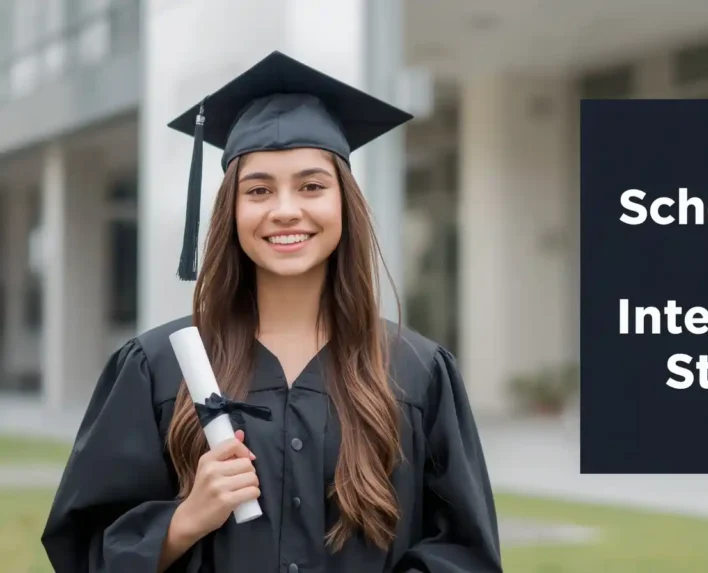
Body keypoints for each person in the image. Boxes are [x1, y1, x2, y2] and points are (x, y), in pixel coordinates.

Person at [40, 51, 502, 573]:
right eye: (258, 190)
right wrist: (186, 519)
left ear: (344, 204)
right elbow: (84, 550)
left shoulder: (416, 372)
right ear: (231, 212)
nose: (285, 209)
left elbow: (464, 554)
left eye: (311, 186)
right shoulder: (155, 369)